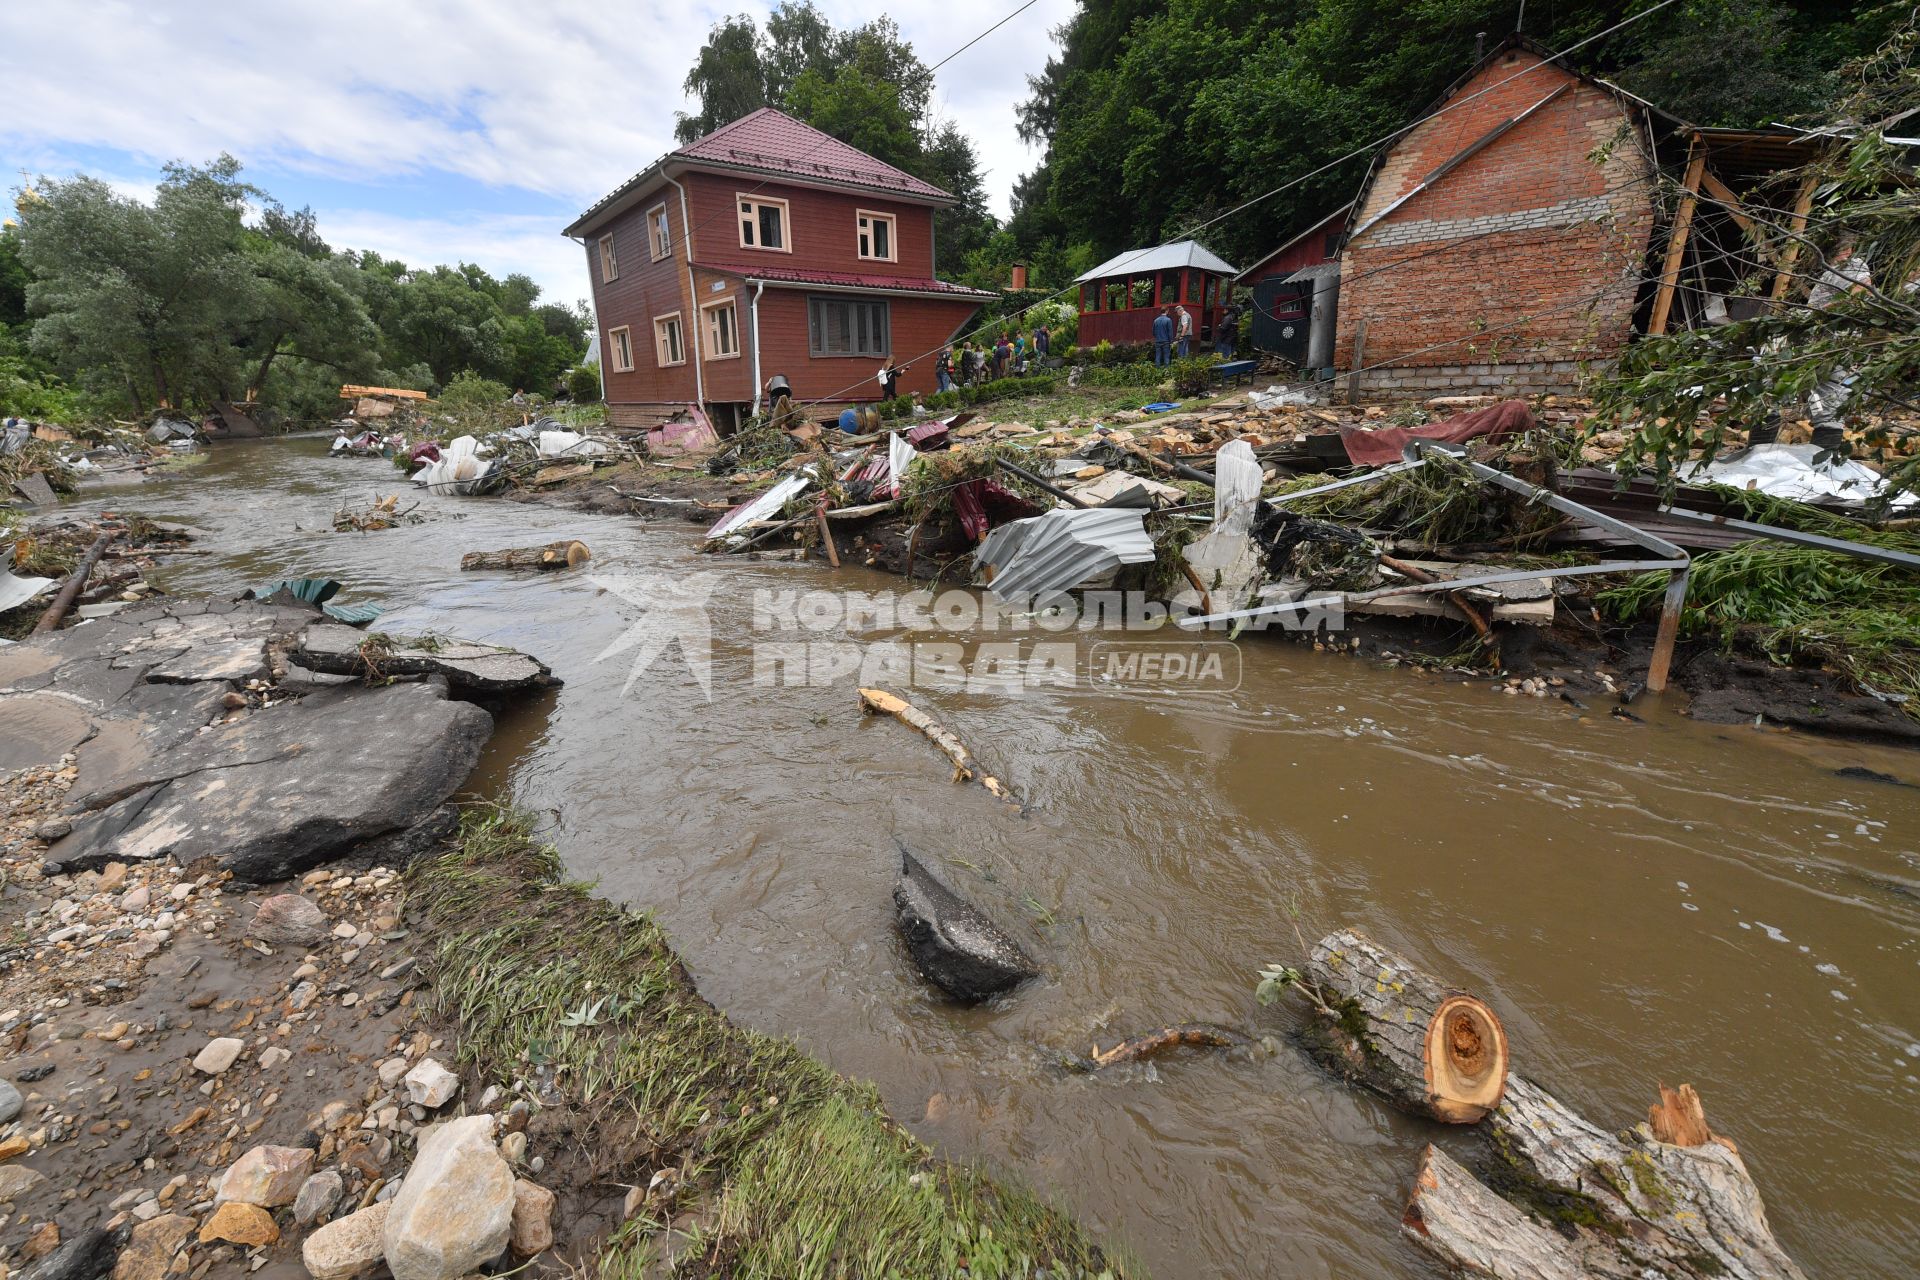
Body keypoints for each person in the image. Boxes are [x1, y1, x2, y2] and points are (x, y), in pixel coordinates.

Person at [1216, 297, 1241, 362]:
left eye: (1224, 310)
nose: (1223, 311)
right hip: (1233, 339)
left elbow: (1223, 328)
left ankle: (1225, 366)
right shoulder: (1234, 317)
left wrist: (1219, 327)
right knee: (1231, 354)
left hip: (1226, 339)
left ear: (1228, 310)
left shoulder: (1227, 318)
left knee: (1226, 355)